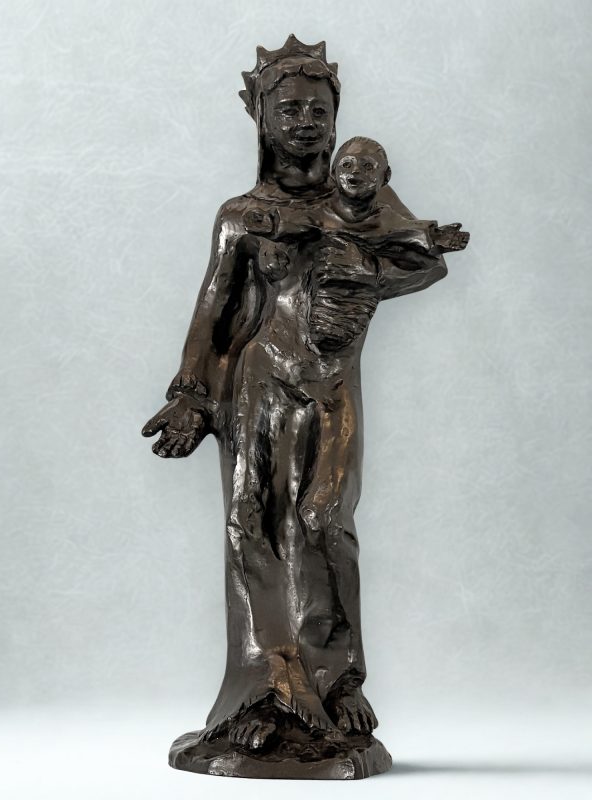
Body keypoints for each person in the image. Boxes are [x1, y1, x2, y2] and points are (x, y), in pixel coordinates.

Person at [142, 36, 454, 757]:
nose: (306, 122)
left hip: (332, 385)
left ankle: (338, 682)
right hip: (257, 384)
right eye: (289, 110)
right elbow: (214, 308)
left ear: (337, 119)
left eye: (319, 110)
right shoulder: (244, 215)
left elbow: (420, 264)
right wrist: (191, 394)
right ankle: (262, 690)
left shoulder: (363, 202)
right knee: (252, 525)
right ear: (262, 119)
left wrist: (367, 270)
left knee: (325, 520)